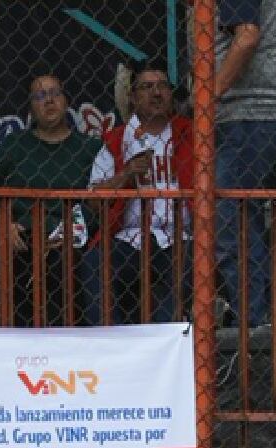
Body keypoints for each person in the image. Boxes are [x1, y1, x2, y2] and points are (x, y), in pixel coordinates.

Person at [0, 72, 110, 325]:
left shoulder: (89, 148)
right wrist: (3, 223)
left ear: (66, 100)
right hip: (22, 237)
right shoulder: (15, 144)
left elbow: (101, 200)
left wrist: (72, 230)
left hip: (70, 239)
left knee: (70, 268)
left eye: (54, 93)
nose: (48, 101)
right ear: (31, 107)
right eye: (40, 96)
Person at [214, 0, 276, 329]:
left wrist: (210, 93)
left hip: (247, 117)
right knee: (245, 224)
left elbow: (248, 36)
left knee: (230, 228)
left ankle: (255, 324)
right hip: (272, 118)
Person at [83, 58, 191, 323]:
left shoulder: (190, 133)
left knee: (181, 278)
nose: (156, 93)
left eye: (163, 86)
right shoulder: (118, 139)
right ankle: (110, 343)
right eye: (147, 87)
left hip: (181, 237)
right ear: (132, 97)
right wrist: (126, 174)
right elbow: (94, 200)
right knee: (95, 263)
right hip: (130, 237)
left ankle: (168, 345)